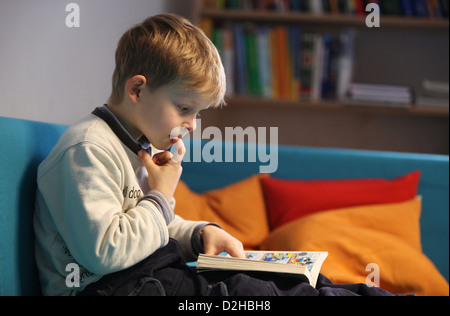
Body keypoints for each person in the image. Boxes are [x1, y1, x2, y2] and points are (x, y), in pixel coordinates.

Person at [34, 14, 398, 297]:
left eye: (198, 113)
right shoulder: (88, 149)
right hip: (110, 287)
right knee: (247, 294)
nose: (192, 125)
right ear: (137, 89)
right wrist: (160, 197)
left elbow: (149, 230)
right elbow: (106, 250)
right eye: (183, 108)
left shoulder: (138, 144)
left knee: (304, 280)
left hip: (149, 274)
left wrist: (198, 233)